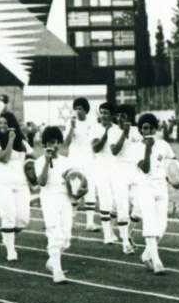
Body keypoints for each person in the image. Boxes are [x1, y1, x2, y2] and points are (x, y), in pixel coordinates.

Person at [134, 113, 176, 274]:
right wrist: (147, 148)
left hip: (162, 188)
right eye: (145, 128)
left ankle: (146, 254)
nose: (148, 131)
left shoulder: (164, 145)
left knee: (162, 226)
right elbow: (144, 168)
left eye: (151, 128)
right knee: (150, 223)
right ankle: (157, 261)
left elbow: (174, 163)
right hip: (145, 188)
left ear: (155, 128)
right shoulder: (136, 147)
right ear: (140, 130)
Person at [0, 111, 33, 261]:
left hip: (21, 184)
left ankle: (7, 236)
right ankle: (11, 250)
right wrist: (10, 140)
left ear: (12, 125)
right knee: (8, 217)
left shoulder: (23, 142)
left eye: (6, 123)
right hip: (1, 183)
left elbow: (33, 157)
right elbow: (4, 158)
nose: (2, 126)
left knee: (23, 220)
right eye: (0, 123)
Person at [36, 126, 73, 284]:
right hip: (49, 198)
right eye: (50, 142)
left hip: (65, 199)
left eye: (56, 142)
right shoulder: (40, 161)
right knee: (54, 234)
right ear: (45, 144)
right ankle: (57, 272)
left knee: (66, 237)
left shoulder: (67, 161)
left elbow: (75, 182)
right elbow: (42, 182)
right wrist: (46, 161)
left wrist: (76, 195)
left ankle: (52, 262)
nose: (54, 146)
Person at [108, 104, 143, 254]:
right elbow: (115, 151)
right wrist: (125, 133)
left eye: (124, 115)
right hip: (118, 170)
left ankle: (127, 235)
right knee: (122, 207)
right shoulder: (112, 131)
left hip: (135, 171)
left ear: (129, 117)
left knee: (139, 208)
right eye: (119, 115)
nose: (120, 118)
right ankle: (124, 243)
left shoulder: (138, 131)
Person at [63, 97, 98, 232]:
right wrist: (71, 127)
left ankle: (90, 222)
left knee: (90, 188)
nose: (78, 111)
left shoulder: (92, 123)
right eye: (76, 108)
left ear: (86, 110)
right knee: (74, 188)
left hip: (89, 159)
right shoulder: (70, 123)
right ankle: (71, 220)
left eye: (80, 108)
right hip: (75, 159)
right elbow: (65, 143)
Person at [90, 101, 118, 244]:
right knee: (105, 200)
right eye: (101, 112)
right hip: (101, 168)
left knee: (117, 203)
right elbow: (95, 148)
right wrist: (106, 134)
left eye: (106, 113)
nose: (103, 115)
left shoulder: (118, 129)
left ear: (112, 115)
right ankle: (107, 234)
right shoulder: (95, 129)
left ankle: (111, 229)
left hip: (116, 168)